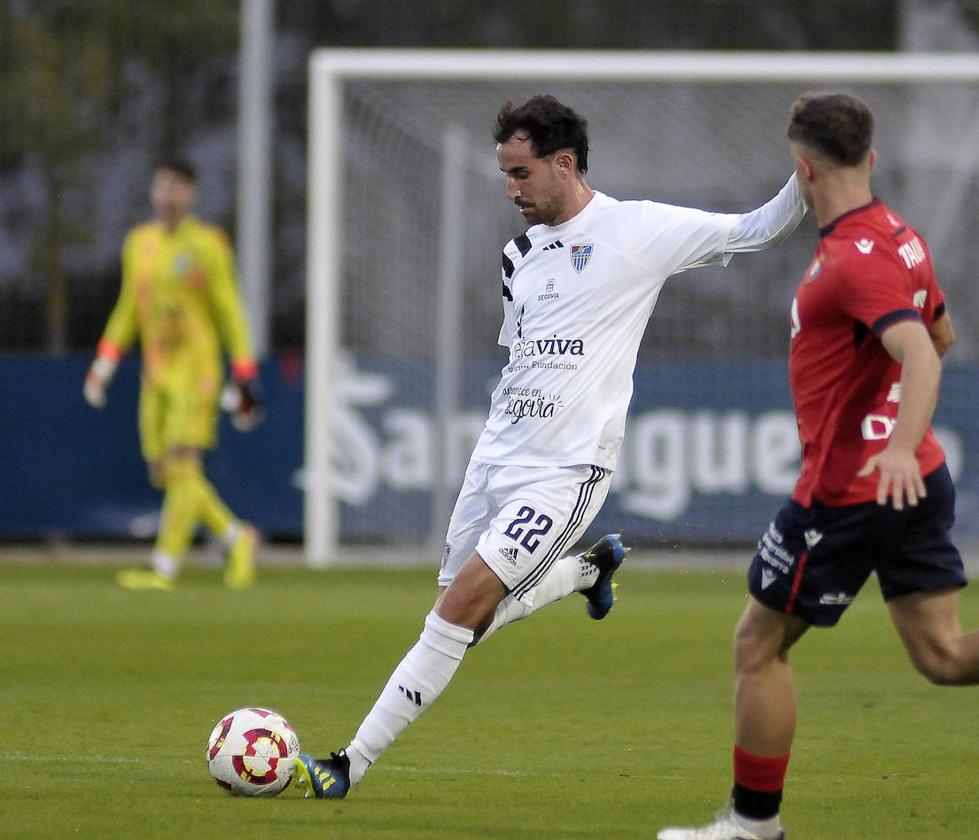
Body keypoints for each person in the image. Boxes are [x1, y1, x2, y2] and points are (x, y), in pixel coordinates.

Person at [657, 92, 979, 840]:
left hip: (851, 489)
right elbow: (946, 330)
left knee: (757, 646)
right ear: (869, 159)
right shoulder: (902, 237)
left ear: (803, 170)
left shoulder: (849, 261)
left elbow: (923, 350)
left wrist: (891, 442)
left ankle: (751, 827)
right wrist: (894, 426)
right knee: (944, 654)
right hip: (917, 482)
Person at [293, 94, 808, 799]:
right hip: (496, 457)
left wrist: (807, 165)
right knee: (464, 623)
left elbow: (760, 230)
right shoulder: (518, 257)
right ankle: (584, 573)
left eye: (521, 173)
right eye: (505, 174)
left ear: (564, 164)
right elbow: (526, 356)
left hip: (567, 469)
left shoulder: (638, 231)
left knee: (454, 614)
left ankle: (350, 762)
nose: (511, 190)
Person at [84, 158, 263, 591]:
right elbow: (130, 306)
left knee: (184, 464)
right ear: (153, 191)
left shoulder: (207, 244)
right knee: (166, 473)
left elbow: (228, 308)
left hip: (196, 371)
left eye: (178, 186)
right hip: (155, 374)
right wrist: (105, 360)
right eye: (163, 184)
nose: (169, 193)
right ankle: (236, 537)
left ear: (191, 195)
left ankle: (164, 567)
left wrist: (243, 372)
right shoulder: (138, 243)